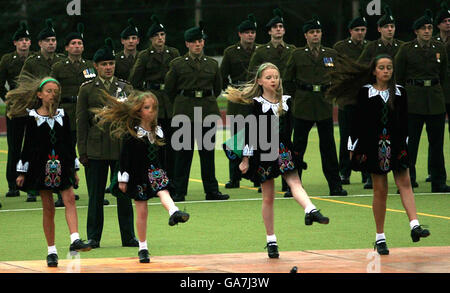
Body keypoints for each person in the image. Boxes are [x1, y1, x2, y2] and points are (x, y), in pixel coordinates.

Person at [327, 54, 431, 255]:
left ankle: (415, 225)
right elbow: (355, 122)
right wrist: (352, 147)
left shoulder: (400, 92)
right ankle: (380, 237)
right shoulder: (364, 92)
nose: (386, 71)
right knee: (380, 190)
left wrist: (406, 143)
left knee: (405, 183)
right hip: (373, 146)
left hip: (397, 144)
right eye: (382, 67)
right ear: (374, 71)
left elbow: (404, 121)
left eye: (389, 67)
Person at [224, 62, 330, 259]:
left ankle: (311, 210)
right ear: (260, 81)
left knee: (295, 182)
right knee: (268, 197)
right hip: (263, 152)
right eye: (269, 77)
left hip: (282, 149)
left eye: (276, 77)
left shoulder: (287, 101)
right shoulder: (256, 104)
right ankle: (271, 240)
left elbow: (290, 129)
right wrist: (245, 159)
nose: (273, 80)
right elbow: (250, 132)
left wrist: (294, 153)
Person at [93, 91, 190, 263]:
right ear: (138, 111)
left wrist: (166, 172)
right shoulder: (131, 133)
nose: (151, 111)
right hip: (137, 175)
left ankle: (174, 211)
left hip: (155, 171)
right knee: (142, 210)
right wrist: (123, 179)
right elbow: (124, 158)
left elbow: (164, 155)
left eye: (154, 108)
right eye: (147, 108)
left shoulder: (159, 131)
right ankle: (143, 247)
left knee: (163, 190)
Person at [6, 76, 91, 267]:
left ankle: (75, 240)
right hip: (40, 167)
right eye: (49, 91)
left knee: (69, 199)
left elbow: (69, 144)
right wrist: (22, 172)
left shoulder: (63, 115)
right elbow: (27, 146)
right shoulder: (32, 117)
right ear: (39, 95)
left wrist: (74, 168)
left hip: (62, 165)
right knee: (48, 208)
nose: (53, 95)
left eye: (56, 92)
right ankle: (51, 251)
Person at [76, 38, 138, 248]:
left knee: (124, 192)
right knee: (95, 195)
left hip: (120, 147)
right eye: (104, 64)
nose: (108, 67)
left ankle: (128, 236)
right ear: (96, 66)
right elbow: (81, 122)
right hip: (96, 148)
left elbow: (133, 119)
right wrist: (82, 150)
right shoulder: (87, 89)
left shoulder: (125, 87)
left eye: (111, 63)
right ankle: (93, 237)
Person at [164, 22, 229, 202]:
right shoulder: (177, 64)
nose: (198, 44)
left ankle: (212, 191)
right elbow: (169, 90)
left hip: (207, 111)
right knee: (183, 155)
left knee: (207, 154)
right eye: (193, 42)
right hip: (184, 112)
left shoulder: (212, 64)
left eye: (200, 41)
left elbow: (217, 88)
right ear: (187, 44)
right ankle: (179, 191)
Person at [283, 16, 347, 196]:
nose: (315, 35)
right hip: (303, 104)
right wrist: (294, 100)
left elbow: (339, 77)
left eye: (318, 32)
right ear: (306, 35)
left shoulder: (331, 54)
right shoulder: (297, 54)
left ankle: (335, 186)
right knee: (297, 148)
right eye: (312, 32)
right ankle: (292, 186)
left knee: (328, 148)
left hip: (324, 104)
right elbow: (288, 80)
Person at [395, 9, 450, 193]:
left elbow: (443, 76)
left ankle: (438, 181)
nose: (427, 31)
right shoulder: (406, 49)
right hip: (413, 101)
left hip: (434, 100)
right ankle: (406, 181)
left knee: (437, 144)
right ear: (416, 31)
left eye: (429, 27)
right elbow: (399, 77)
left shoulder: (439, 48)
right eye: (423, 28)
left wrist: (440, 95)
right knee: (410, 144)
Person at [247, 8, 296, 196]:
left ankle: (288, 181)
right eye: (275, 27)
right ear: (269, 31)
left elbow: (293, 74)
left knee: (286, 138)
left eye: (281, 26)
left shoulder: (292, 50)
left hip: (284, 100)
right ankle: (264, 176)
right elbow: (254, 73)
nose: (278, 30)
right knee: (265, 140)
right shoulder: (261, 51)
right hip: (266, 100)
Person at [129, 14, 180, 182]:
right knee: (154, 143)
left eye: (162, 35)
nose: (160, 38)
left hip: (170, 102)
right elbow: (135, 80)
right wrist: (144, 100)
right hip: (152, 102)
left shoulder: (173, 53)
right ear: (151, 39)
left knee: (172, 145)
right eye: (157, 35)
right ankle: (153, 177)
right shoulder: (144, 55)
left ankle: (170, 179)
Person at [51, 23, 97, 207]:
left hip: (87, 116)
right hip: (67, 114)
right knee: (65, 154)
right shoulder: (59, 67)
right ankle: (63, 192)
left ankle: (96, 193)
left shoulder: (90, 66)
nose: (77, 46)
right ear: (67, 48)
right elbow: (52, 90)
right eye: (73, 43)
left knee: (93, 155)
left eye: (79, 43)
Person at [220, 13, 259, 190]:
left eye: (252, 32)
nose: (250, 35)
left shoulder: (261, 50)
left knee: (257, 138)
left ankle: (259, 175)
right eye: (246, 32)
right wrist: (232, 92)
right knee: (236, 139)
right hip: (237, 100)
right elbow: (222, 76)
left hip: (256, 98)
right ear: (240, 34)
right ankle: (234, 177)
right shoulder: (230, 52)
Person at [333, 9, 368, 186]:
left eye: (363, 29)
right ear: (350, 31)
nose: (360, 33)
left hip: (366, 100)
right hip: (347, 99)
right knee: (347, 138)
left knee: (366, 137)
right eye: (357, 30)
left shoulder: (370, 47)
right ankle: (344, 172)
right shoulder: (341, 48)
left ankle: (365, 172)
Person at [0, 21, 32, 200]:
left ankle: (30, 183)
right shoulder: (7, 59)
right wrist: (8, 98)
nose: (24, 43)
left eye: (27, 40)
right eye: (21, 40)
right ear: (15, 43)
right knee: (14, 146)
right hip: (14, 107)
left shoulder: (35, 58)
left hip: (33, 106)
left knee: (33, 145)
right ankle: (13, 183)